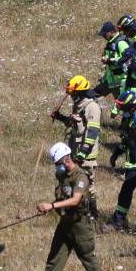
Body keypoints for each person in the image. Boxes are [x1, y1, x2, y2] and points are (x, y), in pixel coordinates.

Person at [37, 142, 107, 271]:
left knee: (87, 257)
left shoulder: (81, 176)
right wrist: (51, 208)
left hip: (79, 225)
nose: (57, 167)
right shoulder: (63, 176)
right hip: (64, 223)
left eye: (58, 163)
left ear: (66, 158)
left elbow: (76, 200)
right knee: (55, 256)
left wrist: (52, 205)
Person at [52, 75, 102, 220]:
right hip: (74, 152)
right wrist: (60, 117)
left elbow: (92, 132)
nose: (70, 95)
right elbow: (75, 125)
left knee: (87, 184)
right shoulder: (78, 105)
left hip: (86, 156)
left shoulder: (92, 107)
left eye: (72, 92)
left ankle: (92, 215)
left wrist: (83, 152)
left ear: (80, 92)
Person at [93, 21, 133, 101]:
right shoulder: (111, 42)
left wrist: (109, 61)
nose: (104, 36)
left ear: (111, 32)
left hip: (120, 82)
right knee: (93, 98)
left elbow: (127, 59)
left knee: (123, 106)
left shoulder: (121, 43)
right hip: (109, 80)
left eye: (105, 34)